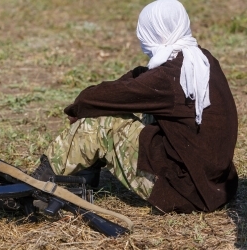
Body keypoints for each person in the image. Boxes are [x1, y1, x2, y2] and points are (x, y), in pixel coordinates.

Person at [31, 0, 238, 213]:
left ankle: (36, 183)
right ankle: (84, 174)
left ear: (153, 33)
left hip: (185, 191)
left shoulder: (167, 79)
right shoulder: (201, 61)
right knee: (137, 106)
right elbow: (139, 82)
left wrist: (79, 110)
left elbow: (95, 99)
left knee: (103, 123)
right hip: (215, 186)